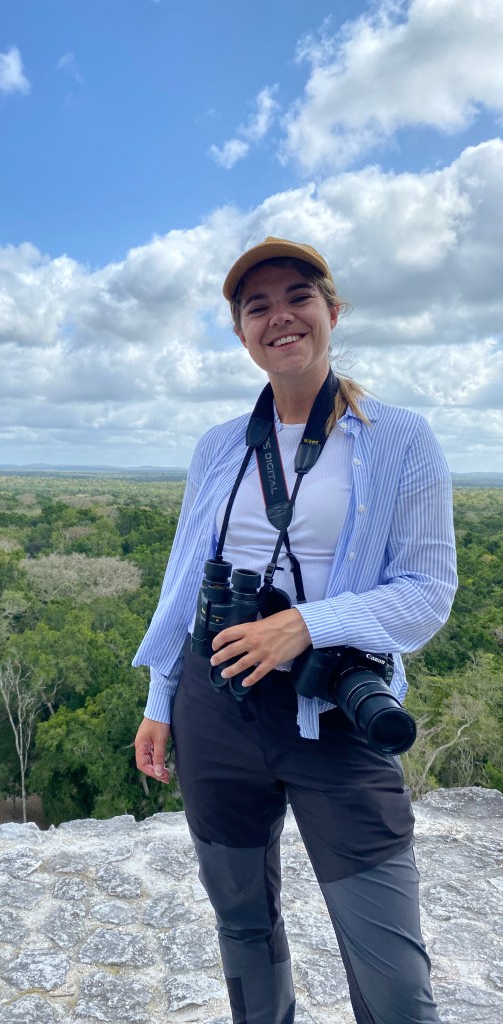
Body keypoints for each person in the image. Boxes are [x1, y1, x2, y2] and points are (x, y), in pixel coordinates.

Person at [132, 237, 457, 1024]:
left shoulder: (399, 437)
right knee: (243, 926)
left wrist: (306, 626)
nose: (280, 316)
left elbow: (427, 593)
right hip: (218, 706)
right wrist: (161, 695)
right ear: (242, 333)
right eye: (257, 307)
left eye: (298, 297)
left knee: (392, 976)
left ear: (332, 312)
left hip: (336, 709)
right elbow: (186, 579)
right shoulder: (220, 448)